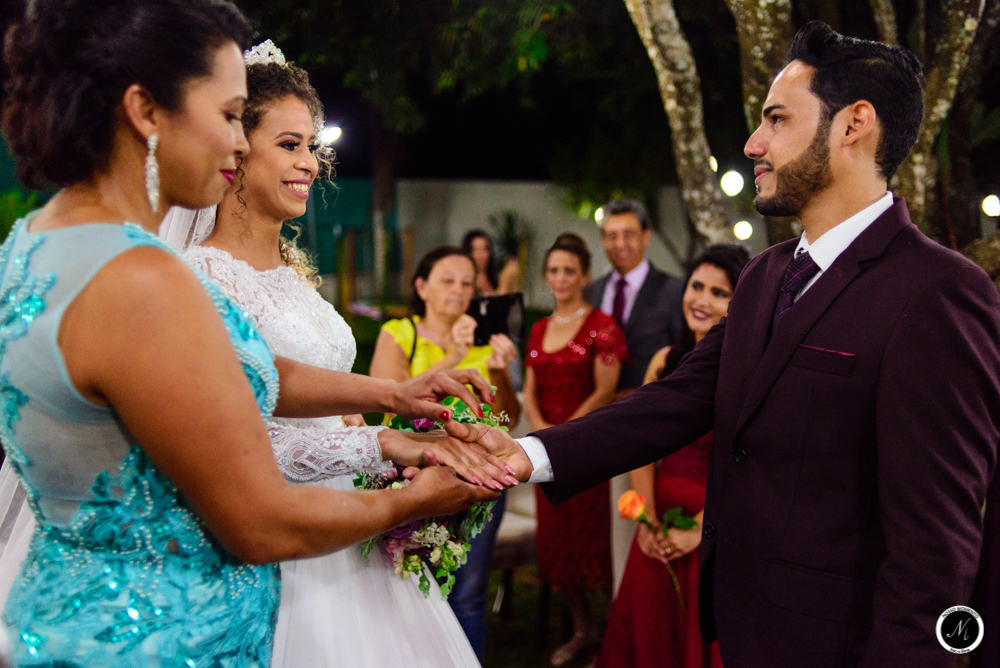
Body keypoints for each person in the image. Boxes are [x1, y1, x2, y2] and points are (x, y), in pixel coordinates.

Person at [451, 21, 1000, 668]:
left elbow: (936, 550)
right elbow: (676, 401)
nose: (753, 143)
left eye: (775, 120)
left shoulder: (938, 291)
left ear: (854, 125)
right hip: (737, 632)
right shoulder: (766, 277)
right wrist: (524, 454)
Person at [0, 2, 501, 663]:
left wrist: (395, 397)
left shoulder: (33, 244)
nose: (239, 143)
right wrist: (412, 501)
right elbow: (260, 521)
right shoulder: (143, 279)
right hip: (159, 636)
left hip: (63, 610)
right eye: (230, 114)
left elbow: (235, 373)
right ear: (147, 111)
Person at [168, 43, 494, 667]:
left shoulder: (296, 277)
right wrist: (384, 445)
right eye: (290, 145)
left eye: (313, 146)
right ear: (236, 148)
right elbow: (242, 433)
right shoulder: (196, 279)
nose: (311, 163)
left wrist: (386, 453)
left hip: (351, 522)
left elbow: (327, 400)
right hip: (275, 544)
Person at [596, 244, 749, 668]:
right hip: (659, 523)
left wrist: (700, 530)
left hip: (716, 526)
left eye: (719, 293)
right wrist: (646, 519)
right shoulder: (665, 360)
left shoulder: (748, 371)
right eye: (696, 286)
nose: (701, 299)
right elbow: (642, 446)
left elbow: (750, 463)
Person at [370, 246, 522, 661]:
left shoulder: (484, 341)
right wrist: (453, 358)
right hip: (410, 473)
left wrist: (498, 371)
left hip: (478, 476)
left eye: (467, 283)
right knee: (407, 584)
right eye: (448, 280)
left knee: (469, 591)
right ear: (422, 286)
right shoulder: (400, 332)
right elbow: (390, 399)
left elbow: (507, 419)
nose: (459, 291)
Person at [524, 232, 628, 666]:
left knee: (593, 547)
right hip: (545, 453)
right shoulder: (540, 327)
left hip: (584, 453)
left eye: (569, 270)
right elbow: (530, 391)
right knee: (557, 547)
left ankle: (616, 632)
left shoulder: (602, 326)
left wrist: (566, 431)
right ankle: (583, 628)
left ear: (584, 274)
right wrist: (542, 428)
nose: (561, 278)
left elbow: (606, 391)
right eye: (554, 270)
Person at [588, 199, 686, 395]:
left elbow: (684, 358)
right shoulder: (590, 292)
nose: (620, 244)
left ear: (646, 236)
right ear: (602, 240)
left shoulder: (675, 291)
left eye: (629, 234)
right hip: (593, 413)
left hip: (651, 411)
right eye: (612, 236)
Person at [462, 229, 519, 296]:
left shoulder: (490, 277)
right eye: (476, 250)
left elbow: (514, 301)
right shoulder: (468, 282)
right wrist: (505, 279)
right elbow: (497, 304)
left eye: (485, 249)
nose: (481, 255)